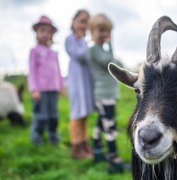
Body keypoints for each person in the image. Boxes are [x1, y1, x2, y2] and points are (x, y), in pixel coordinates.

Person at [88, 13, 124, 173]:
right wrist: (110, 44)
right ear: (92, 31)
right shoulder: (94, 50)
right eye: (101, 30)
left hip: (107, 94)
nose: (104, 34)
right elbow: (109, 62)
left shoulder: (99, 49)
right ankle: (114, 160)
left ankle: (97, 152)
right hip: (104, 95)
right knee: (110, 126)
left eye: (107, 31)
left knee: (101, 124)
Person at [28, 15, 65, 146]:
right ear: (37, 33)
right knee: (41, 116)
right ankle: (37, 139)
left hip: (53, 90)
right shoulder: (34, 51)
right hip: (41, 91)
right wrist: (34, 89)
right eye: (42, 30)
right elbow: (32, 71)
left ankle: (53, 138)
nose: (46, 34)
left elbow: (58, 71)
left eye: (49, 31)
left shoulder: (53, 52)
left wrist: (61, 86)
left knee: (53, 116)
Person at [65, 10, 95, 159]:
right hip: (76, 84)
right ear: (74, 21)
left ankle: (84, 143)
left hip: (86, 84)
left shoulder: (84, 42)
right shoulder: (70, 39)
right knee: (77, 114)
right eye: (81, 21)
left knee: (84, 114)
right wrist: (85, 42)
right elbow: (79, 56)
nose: (84, 25)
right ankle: (76, 147)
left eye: (87, 22)